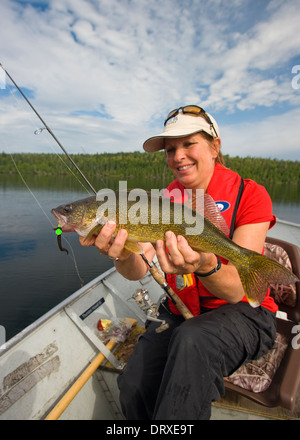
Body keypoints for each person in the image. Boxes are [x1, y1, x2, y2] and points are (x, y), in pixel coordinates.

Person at [79, 105, 278, 420]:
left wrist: (204, 265)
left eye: (189, 144)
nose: (178, 156)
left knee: (192, 341)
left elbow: (238, 292)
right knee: (133, 384)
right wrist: (123, 251)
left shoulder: (250, 194)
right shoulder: (160, 202)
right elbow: (137, 270)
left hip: (245, 313)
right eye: (170, 150)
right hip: (180, 308)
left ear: (215, 147)